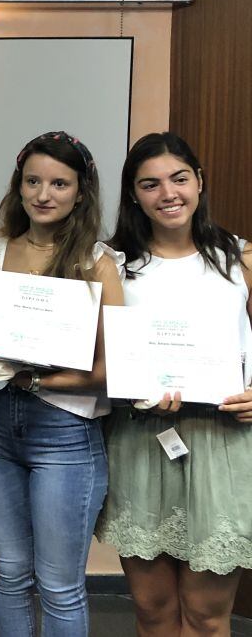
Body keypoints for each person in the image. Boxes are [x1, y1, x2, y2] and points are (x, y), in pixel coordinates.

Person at [0, 131, 123, 637]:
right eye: (33, 181)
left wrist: (38, 376)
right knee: (7, 574)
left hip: (66, 434)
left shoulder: (97, 261)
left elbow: (115, 368)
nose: (43, 194)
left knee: (58, 584)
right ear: (18, 185)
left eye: (59, 183)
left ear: (80, 191)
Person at [94, 132, 252, 636]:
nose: (168, 193)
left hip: (222, 444)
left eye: (179, 178)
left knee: (207, 617)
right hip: (140, 440)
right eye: (150, 184)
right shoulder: (112, 264)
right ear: (134, 195)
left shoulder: (241, 258)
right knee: (153, 611)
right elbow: (93, 353)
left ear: (200, 182)